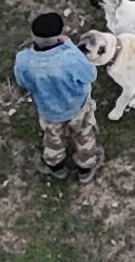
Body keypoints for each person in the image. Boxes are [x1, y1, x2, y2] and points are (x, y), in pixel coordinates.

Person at [14, 10, 101, 179]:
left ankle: (56, 167)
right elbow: (90, 75)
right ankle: (85, 168)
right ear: (59, 35)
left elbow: (23, 83)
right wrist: (70, 46)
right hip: (78, 107)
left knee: (53, 138)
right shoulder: (70, 57)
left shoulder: (23, 60)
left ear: (33, 35)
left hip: (49, 111)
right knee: (84, 135)